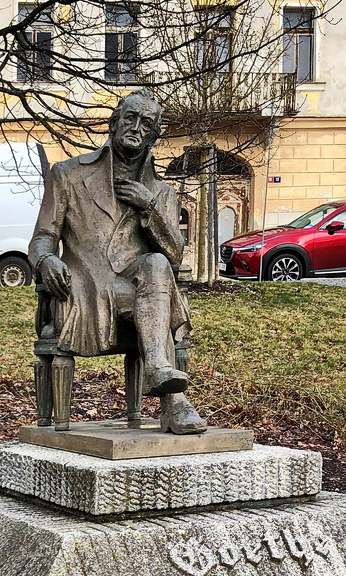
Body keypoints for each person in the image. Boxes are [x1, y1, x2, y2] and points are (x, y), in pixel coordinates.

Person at [28, 90, 206, 435]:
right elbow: (42, 237)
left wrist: (149, 207)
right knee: (160, 295)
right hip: (86, 286)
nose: (136, 128)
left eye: (147, 124)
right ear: (113, 122)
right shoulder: (68, 174)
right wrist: (46, 259)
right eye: (130, 118)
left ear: (154, 136)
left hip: (136, 287)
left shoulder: (162, 192)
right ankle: (173, 402)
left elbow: (174, 255)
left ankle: (158, 371)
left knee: (156, 263)